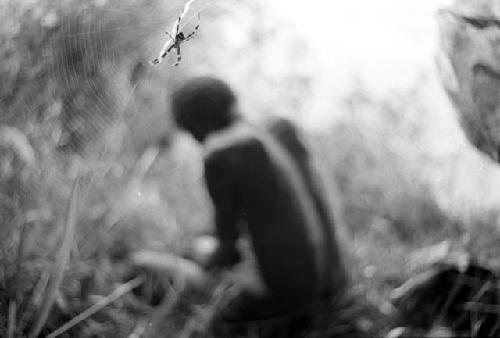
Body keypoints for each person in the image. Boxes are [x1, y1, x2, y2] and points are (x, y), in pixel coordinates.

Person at [171, 76, 349, 329]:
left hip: (288, 301)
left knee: (147, 266)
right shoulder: (276, 130)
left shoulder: (221, 156)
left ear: (196, 125)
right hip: (332, 285)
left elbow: (227, 255)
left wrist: (201, 251)